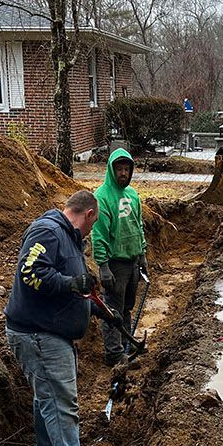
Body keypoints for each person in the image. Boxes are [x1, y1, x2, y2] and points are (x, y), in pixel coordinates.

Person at [4, 189, 120, 446]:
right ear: (89, 214)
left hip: (46, 331)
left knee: (48, 396)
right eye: (93, 225)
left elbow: (73, 289)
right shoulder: (49, 232)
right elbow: (30, 274)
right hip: (39, 333)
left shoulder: (68, 238)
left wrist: (99, 311)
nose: (91, 231)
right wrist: (70, 282)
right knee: (60, 399)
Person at [91, 148, 148, 367]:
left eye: (127, 169)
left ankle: (127, 343)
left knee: (126, 308)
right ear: (111, 170)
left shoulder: (132, 195)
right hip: (115, 264)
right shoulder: (102, 197)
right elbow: (99, 234)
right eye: (119, 169)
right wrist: (103, 265)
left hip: (132, 261)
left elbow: (138, 225)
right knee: (112, 310)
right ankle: (114, 355)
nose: (123, 173)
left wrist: (142, 254)